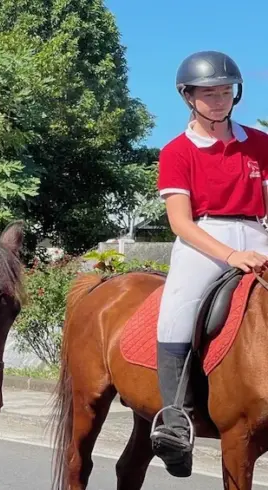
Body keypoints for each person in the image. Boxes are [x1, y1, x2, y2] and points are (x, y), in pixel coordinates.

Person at [151, 50, 268, 478]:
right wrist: (232, 256)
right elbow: (180, 222)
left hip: (258, 233)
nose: (219, 100)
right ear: (189, 97)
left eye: (225, 92)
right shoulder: (176, 151)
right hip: (204, 239)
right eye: (209, 93)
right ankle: (175, 419)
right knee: (176, 315)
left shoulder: (259, 145)